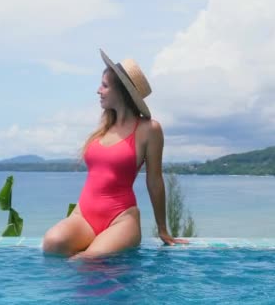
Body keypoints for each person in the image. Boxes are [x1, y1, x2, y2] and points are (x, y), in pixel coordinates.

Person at [42, 49, 188, 259]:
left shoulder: (149, 129)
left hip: (121, 219)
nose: (98, 90)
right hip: (83, 215)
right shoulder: (103, 129)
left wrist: (162, 229)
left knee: (87, 261)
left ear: (122, 91)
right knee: (52, 244)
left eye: (104, 85)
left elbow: (154, 180)